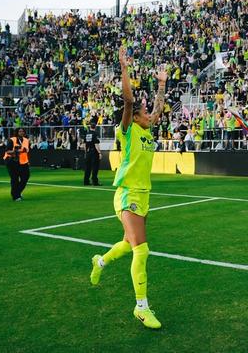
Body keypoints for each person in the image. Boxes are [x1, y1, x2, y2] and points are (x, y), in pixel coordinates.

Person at [89, 46, 168, 329]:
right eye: (144, 112)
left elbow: (158, 109)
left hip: (143, 195)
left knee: (127, 243)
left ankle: (100, 262)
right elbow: (128, 101)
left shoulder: (147, 131)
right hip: (127, 194)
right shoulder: (128, 129)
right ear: (134, 117)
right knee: (142, 250)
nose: (149, 114)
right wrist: (124, 68)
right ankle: (141, 307)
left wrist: (161, 84)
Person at [3, 127, 30, 201]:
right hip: (11, 161)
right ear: (17, 132)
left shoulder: (26, 140)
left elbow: (26, 151)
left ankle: (17, 192)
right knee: (14, 179)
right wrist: (16, 151)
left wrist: (27, 161)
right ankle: (16, 196)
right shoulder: (12, 140)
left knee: (25, 177)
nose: (21, 132)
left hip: (23, 161)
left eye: (22, 131)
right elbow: (7, 151)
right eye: (20, 131)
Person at [83, 121, 102, 186]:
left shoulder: (87, 134)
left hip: (88, 152)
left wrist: (85, 152)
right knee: (95, 167)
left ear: (90, 127)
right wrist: (99, 153)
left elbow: (84, 145)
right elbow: (96, 144)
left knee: (87, 168)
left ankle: (86, 181)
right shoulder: (95, 134)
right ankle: (95, 181)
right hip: (94, 152)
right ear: (95, 127)